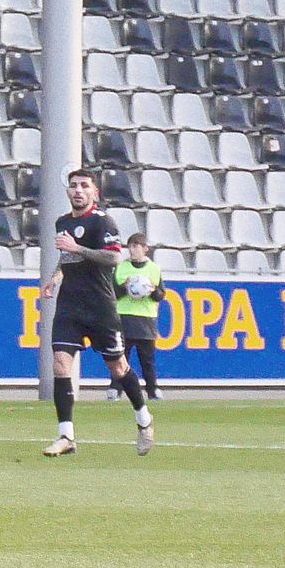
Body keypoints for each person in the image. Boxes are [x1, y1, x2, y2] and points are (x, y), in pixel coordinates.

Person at [39, 168, 154, 457]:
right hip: (69, 306)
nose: (78, 190)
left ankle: (144, 418)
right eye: (73, 185)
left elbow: (113, 256)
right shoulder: (62, 221)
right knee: (60, 363)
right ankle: (66, 435)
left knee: (118, 367)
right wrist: (56, 275)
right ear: (68, 191)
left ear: (94, 192)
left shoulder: (102, 221)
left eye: (84, 186)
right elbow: (67, 256)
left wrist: (77, 248)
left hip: (100, 307)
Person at [109, 232, 169, 402]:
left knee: (147, 360)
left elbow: (160, 295)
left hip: (146, 318)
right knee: (120, 357)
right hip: (124, 317)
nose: (132, 250)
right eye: (130, 247)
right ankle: (115, 388)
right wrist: (125, 286)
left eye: (136, 246)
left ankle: (152, 389)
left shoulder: (154, 269)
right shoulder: (121, 267)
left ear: (145, 249)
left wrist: (152, 290)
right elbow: (113, 292)